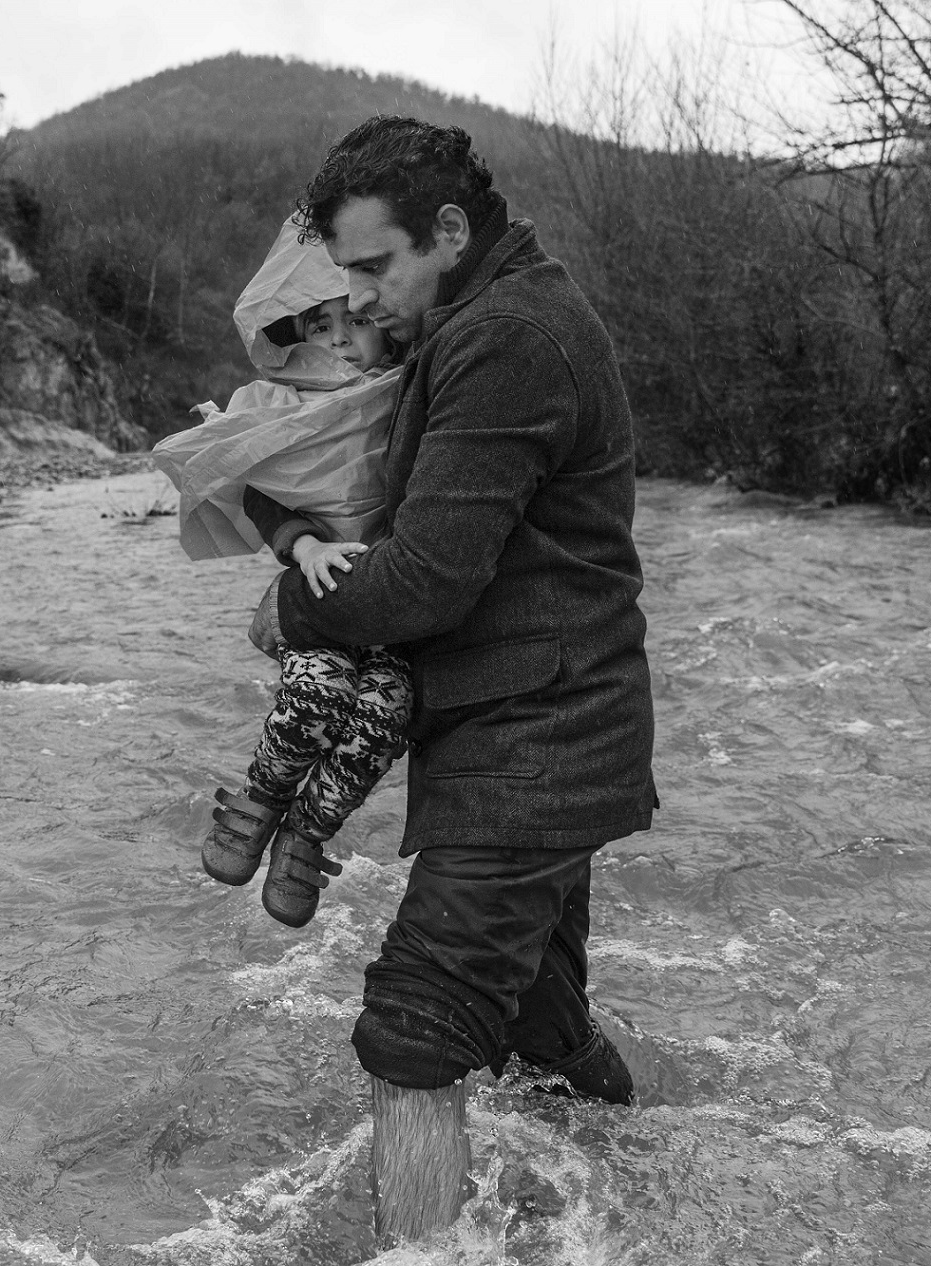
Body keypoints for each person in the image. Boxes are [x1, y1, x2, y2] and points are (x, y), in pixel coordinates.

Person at [244, 115, 658, 1246]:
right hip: (534, 733)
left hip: (540, 744)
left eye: (378, 267)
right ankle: (642, 1194)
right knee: (540, 1032)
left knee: (413, 1029)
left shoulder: (507, 336)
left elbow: (426, 580)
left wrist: (285, 607)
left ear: (448, 228)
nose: (367, 296)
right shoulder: (482, 317)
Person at [152, 219, 412, 930]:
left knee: (385, 714)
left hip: (398, 609)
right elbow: (266, 495)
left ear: (382, 324)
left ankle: (305, 836)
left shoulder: (406, 389)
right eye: (319, 323)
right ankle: (259, 802)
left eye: (352, 321)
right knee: (317, 688)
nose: (336, 337)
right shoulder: (285, 408)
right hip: (322, 594)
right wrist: (303, 549)